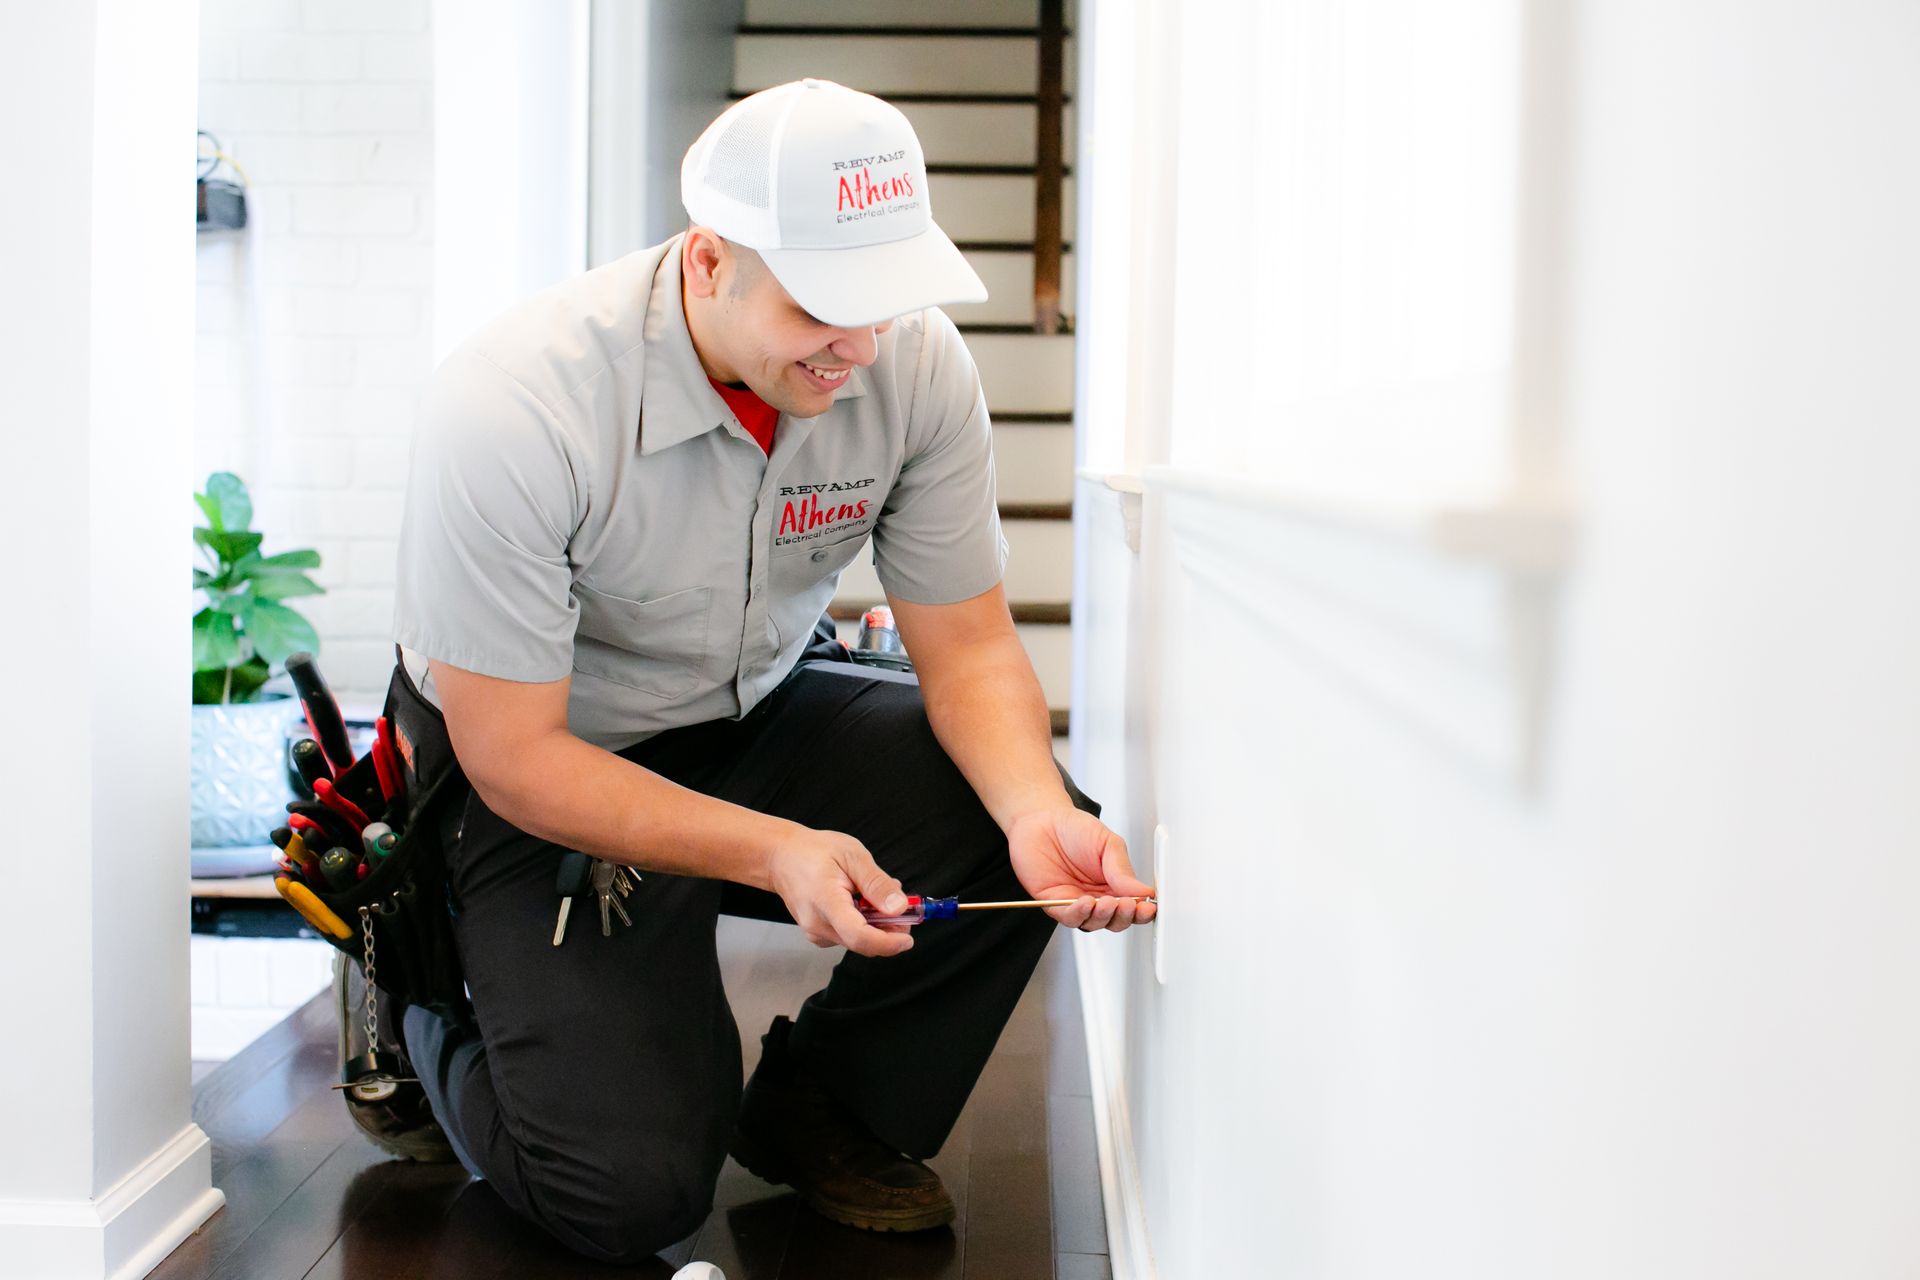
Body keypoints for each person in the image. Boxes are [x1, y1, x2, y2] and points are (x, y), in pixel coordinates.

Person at [360, 78, 1155, 1266]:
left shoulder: (913, 371)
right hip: (542, 757)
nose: (861, 347)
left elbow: (973, 645)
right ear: (709, 259)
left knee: (1016, 818)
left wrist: (1036, 808)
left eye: (886, 301)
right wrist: (775, 847)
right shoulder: (518, 404)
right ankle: (418, 988)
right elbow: (517, 754)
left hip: (748, 705)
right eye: (823, 306)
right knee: (624, 1191)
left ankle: (824, 1109)